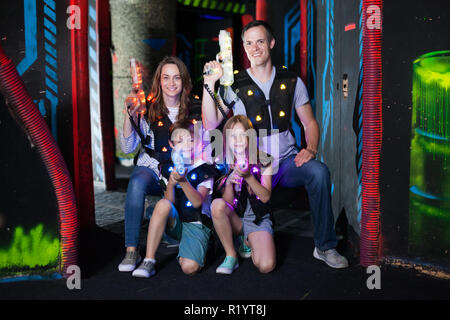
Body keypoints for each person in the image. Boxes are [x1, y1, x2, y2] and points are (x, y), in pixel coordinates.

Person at [202, 20, 348, 269]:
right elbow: (210, 123)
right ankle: (246, 236)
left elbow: (310, 123)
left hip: (287, 162)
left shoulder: (291, 80)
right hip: (254, 166)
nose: (254, 48)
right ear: (243, 48)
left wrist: (310, 148)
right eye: (248, 43)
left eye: (260, 41)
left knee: (318, 172)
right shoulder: (233, 84)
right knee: (264, 259)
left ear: (271, 43)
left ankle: (325, 246)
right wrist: (209, 84)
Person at [118, 56, 202, 272]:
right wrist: (129, 115)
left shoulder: (196, 107)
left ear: (184, 81)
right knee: (137, 181)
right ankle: (131, 250)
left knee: (187, 202)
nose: (171, 83)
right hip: (153, 168)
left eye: (176, 77)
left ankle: (172, 230)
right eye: (166, 77)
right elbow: (128, 148)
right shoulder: (148, 107)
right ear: (159, 80)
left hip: (184, 171)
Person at [132, 119, 219, 278]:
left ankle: (203, 245)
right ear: (172, 145)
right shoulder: (168, 167)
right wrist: (171, 184)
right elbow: (169, 203)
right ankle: (149, 260)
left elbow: (198, 202)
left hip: (196, 222)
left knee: (189, 268)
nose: (186, 145)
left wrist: (183, 181)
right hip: (177, 221)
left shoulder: (204, 167)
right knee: (162, 204)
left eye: (191, 140)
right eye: (180, 141)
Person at [211, 115, 275, 275]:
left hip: (257, 218)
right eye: (233, 136)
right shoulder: (223, 162)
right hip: (236, 219)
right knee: (216, 205)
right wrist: (229, 183)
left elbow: (266, 197)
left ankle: (249, 240)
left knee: (266, 266)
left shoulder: (264, 159)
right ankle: (231, 255)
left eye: (243, 134)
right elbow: (226, 205)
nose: (238, 140)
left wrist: (248, 177)